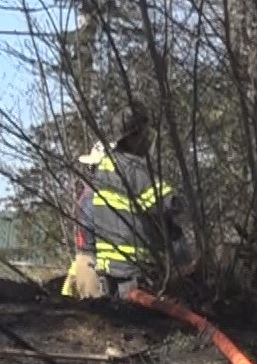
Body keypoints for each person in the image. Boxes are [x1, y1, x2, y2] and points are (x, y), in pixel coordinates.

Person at [76, 107, 188, 299]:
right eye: (145, 135)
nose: (148, 140)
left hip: (110, 270)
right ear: (132, 138)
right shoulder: (135, 170)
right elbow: (170, 204)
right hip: (135, 271)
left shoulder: (106, 167)